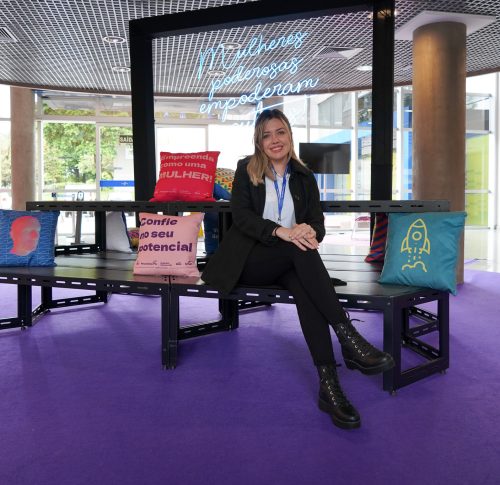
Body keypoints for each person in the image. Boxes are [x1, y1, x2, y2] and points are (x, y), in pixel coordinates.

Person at [201, 109, 394, 430]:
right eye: (267, 135)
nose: (274, 140)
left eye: (280, 132)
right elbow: (242, 217)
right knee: (297, 247)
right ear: (259, 142)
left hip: (290, 262)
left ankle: (329, 386)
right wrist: (283, 232)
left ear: (290, 135)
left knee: (306, 288)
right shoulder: (246, 169)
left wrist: (308, 230)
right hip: (247, 261)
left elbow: (318, 224)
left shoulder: (304, 177)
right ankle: (349, 337)